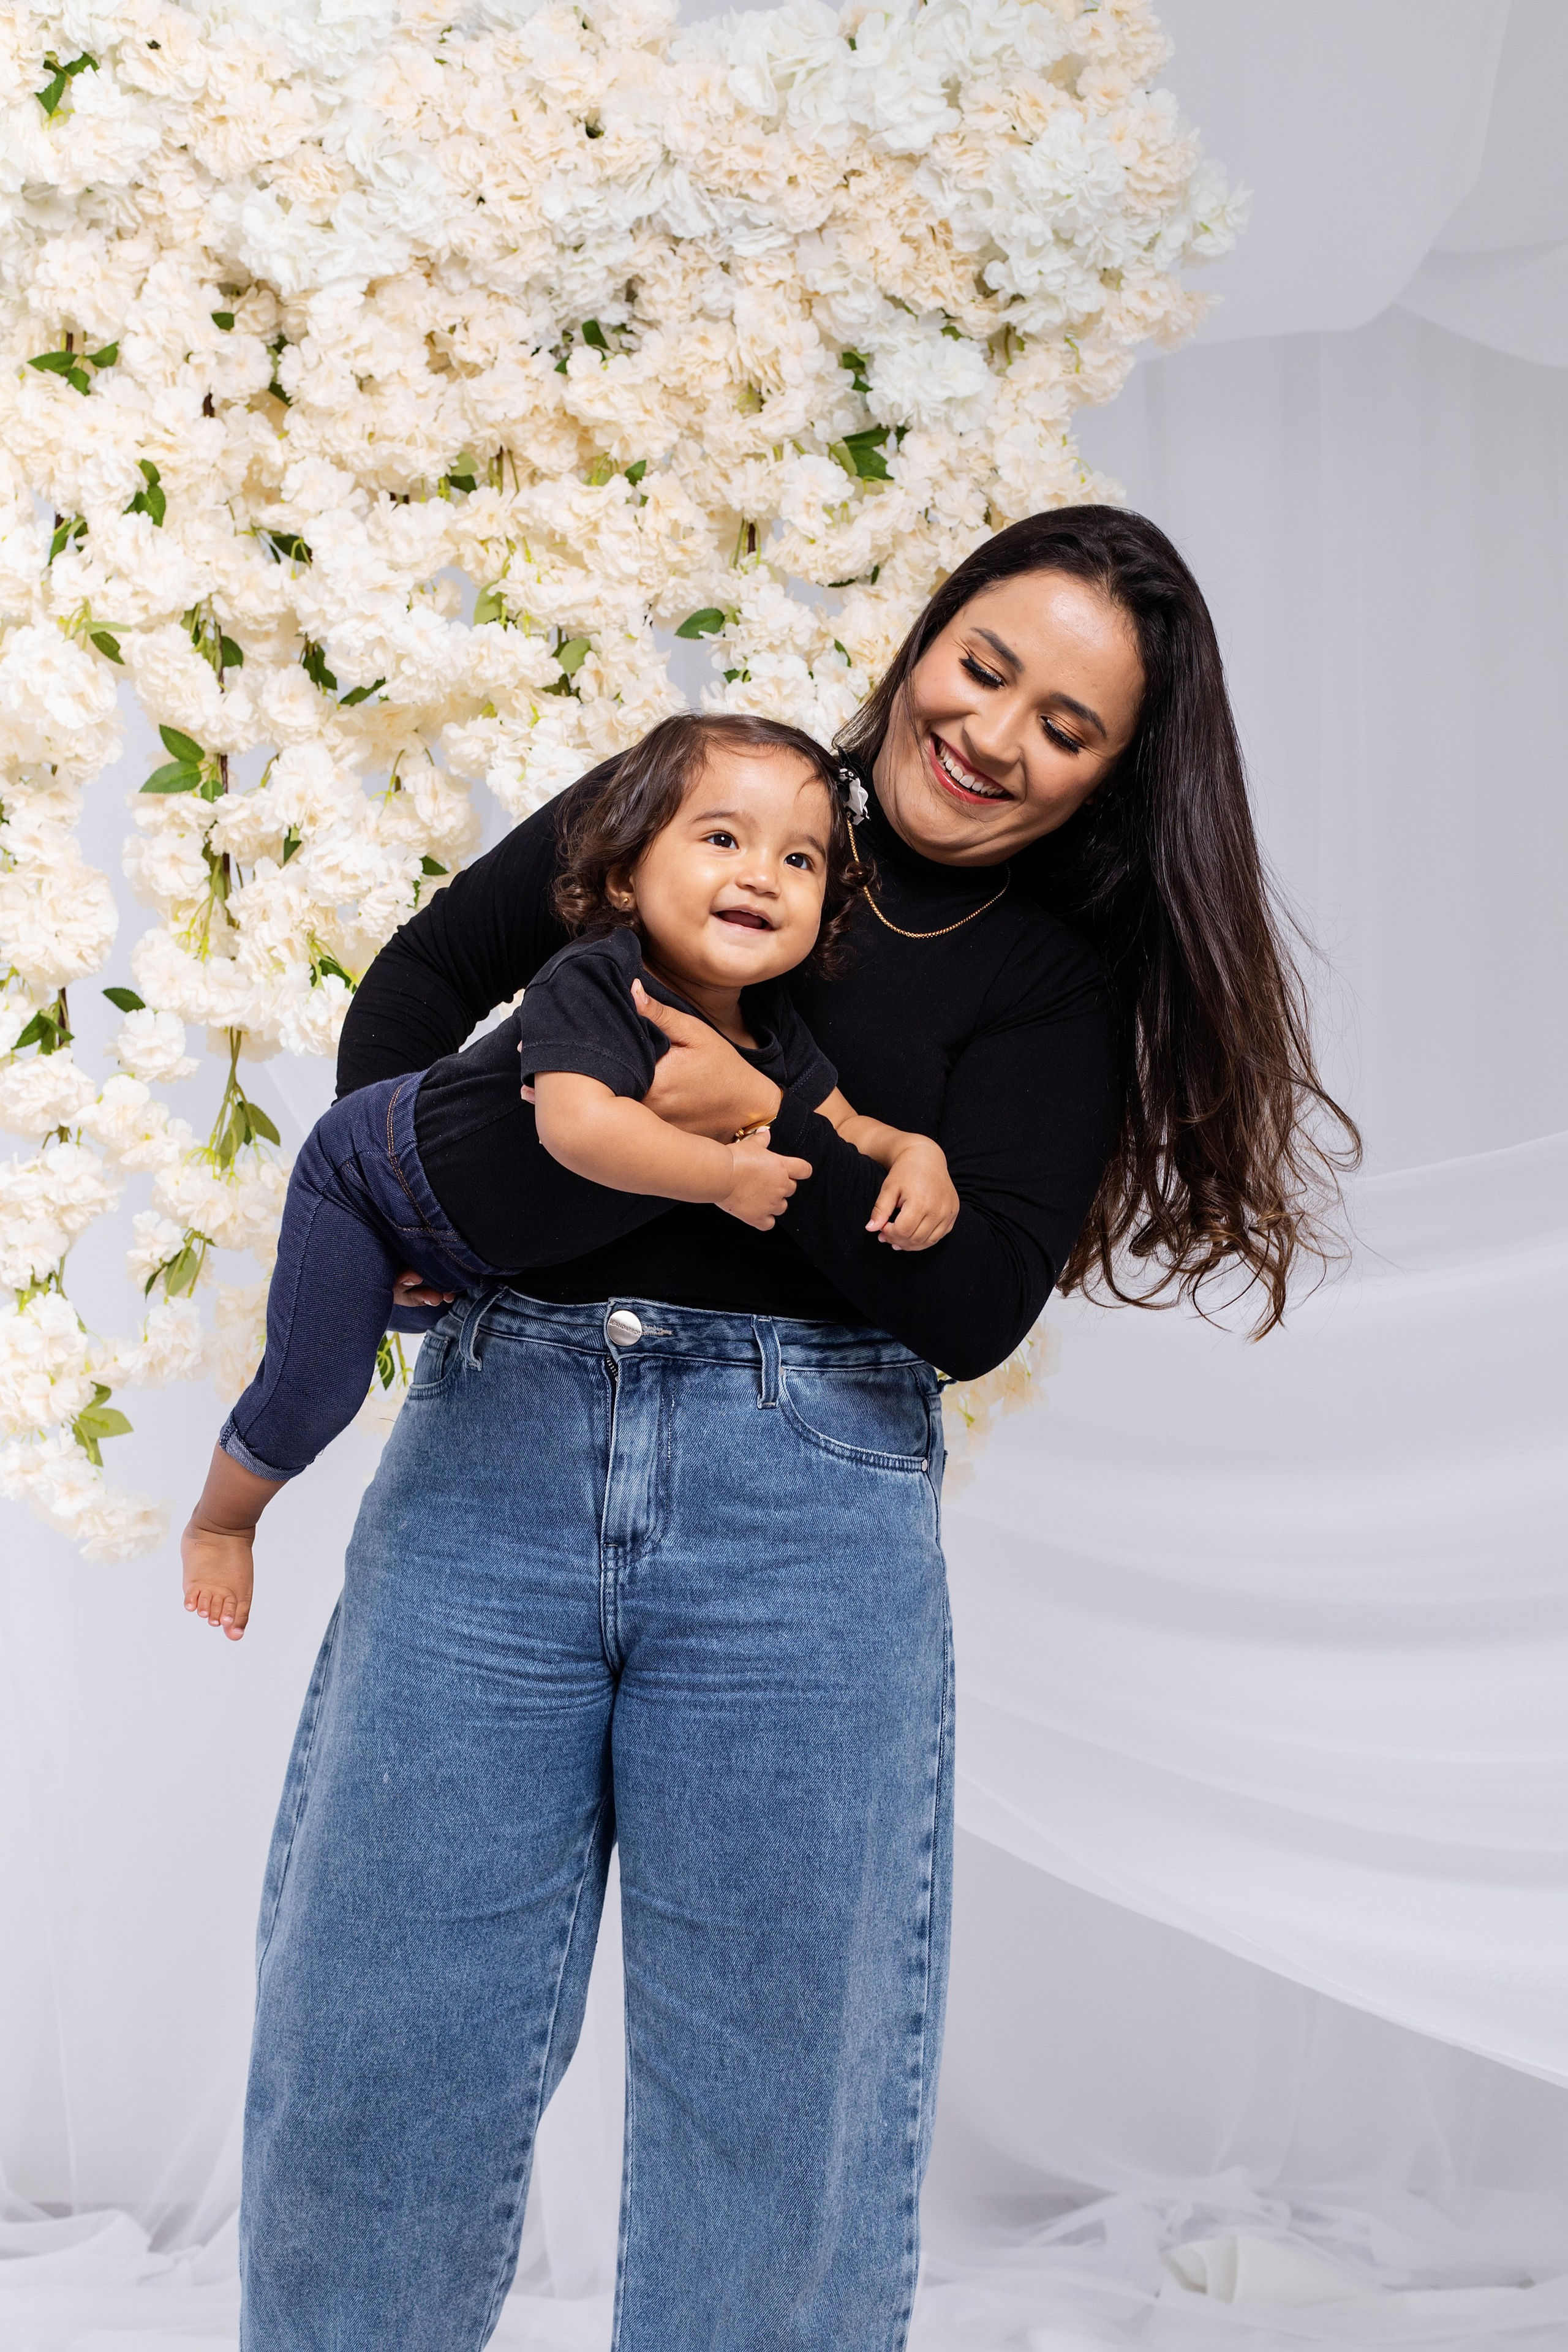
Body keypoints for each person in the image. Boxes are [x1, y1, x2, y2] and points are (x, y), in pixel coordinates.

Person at [237, 507, 1356, 2352]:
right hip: (501, 1449)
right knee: (380, 2034)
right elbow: (431, 977)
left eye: (1064, 729)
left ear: (1113, 778)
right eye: (984, 667)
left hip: (801, 1513)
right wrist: (414, 1207)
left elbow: (974, 1299)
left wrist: (772, 1112)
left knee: (776, 2091)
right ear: (929, 638)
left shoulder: (1051, 979)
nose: (995, 736)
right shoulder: (713, 793)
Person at [180, 714, 959, 1638]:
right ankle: (222, 1519)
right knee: (324, 1382)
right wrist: (721, 1174)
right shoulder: (599, 979)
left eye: (800, 860)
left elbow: (840, 1127)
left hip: (480, 1247)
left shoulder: (774, 1033)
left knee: (386, 1320)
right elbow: (578, 1129)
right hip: (376, 1182)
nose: (761, 874)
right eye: (721, 839)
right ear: (629, 875)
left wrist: (916, 1153)